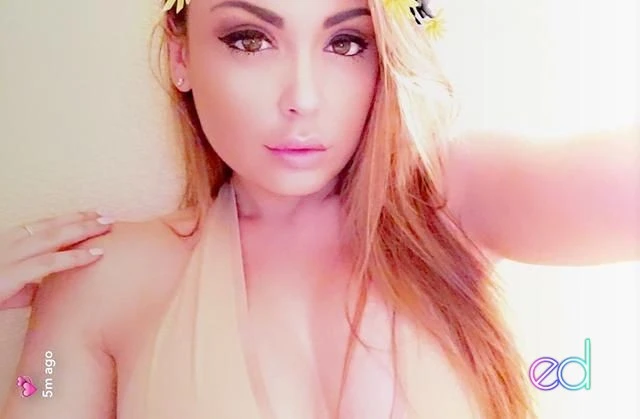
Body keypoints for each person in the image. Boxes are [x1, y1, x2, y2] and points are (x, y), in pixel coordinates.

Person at [1, 0, 638, 418]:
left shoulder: (456, 202)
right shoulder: (100, 275)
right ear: (182, 57)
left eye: (347, 43)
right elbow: (41, 390)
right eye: (250, 39)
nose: (302, 97)